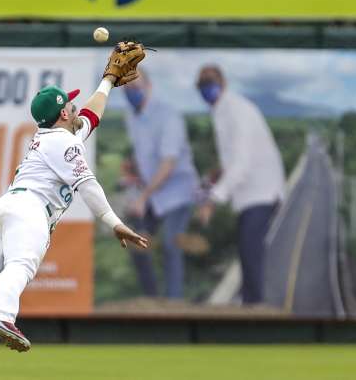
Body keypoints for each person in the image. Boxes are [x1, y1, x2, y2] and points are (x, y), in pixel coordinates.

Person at [0, 42, 149, 352]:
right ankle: (0, 313)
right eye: (70, 104)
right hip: (31, 211)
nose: (76, 107)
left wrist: (107, 80)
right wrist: (114, 222)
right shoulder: (66, 145)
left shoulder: (54, 137)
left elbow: (91, 115)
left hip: (5, 207)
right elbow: (88, 184)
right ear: (64, 112)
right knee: (21, 264)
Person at [195, 65, 285, 305]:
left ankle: (255, 310)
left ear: (223, 82)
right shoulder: (221, 111)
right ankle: (252, 306)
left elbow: (242, 164)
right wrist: (213, 178)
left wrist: (212, 201)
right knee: (248, 253)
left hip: (262, 191)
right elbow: (232, 160)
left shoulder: (237, 110)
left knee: (250, 252)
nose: (206, 88)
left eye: (210, 82)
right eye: (202, 84)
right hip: (248, 194)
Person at [121, 69, 200, 299]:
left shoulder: (168, 116)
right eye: (127, 87)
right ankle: (152, 301)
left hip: (179, 191)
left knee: (170, 243)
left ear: (149, 86)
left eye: (136, 86)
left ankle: (175, 304)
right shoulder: (131, 116)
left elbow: (168, 164)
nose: (132, 92)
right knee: (135, 240)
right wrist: (133, 174)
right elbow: (145, 157)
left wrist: (143, 197)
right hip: (154, 194)